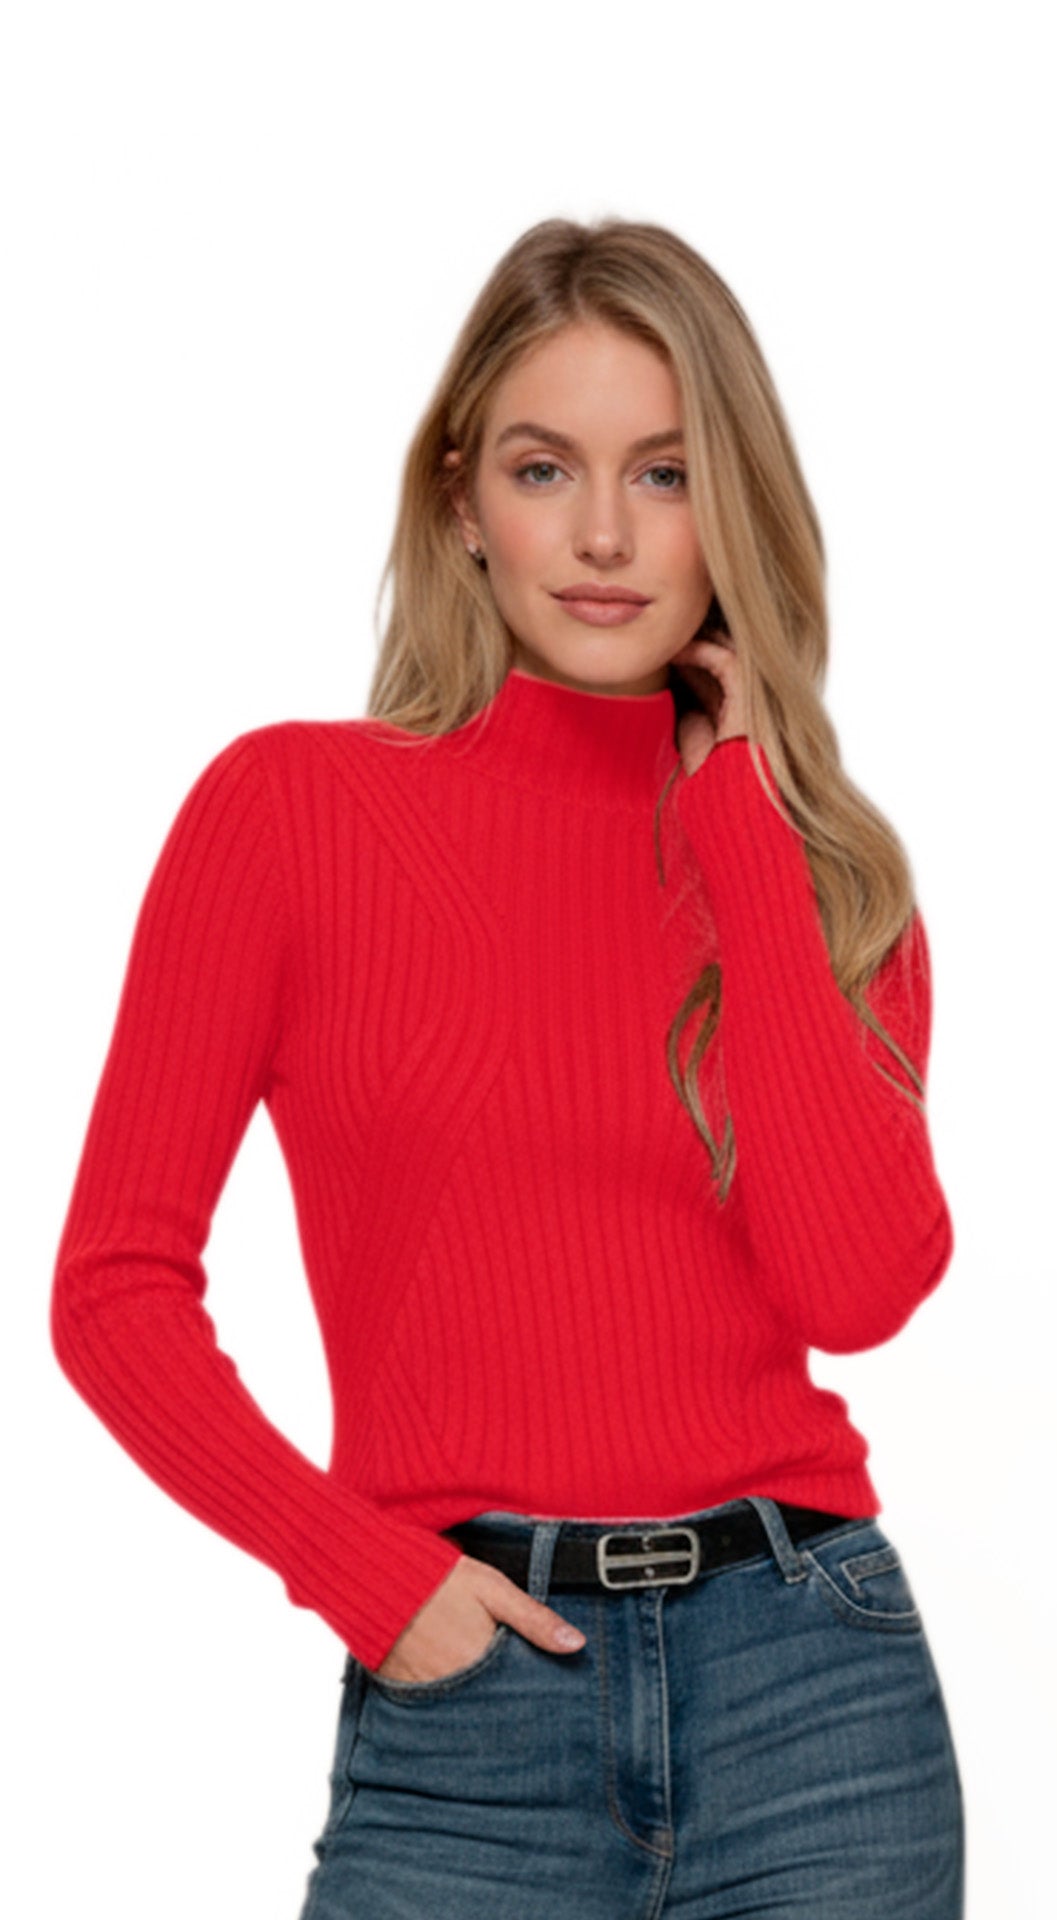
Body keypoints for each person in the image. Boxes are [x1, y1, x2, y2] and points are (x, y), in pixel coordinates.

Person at [51, 216, 965, 1917]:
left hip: (815, 1701)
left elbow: (854, 1291)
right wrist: (360, 1572)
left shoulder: (829, 881)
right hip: (470, 1708)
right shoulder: (291, 815)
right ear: (464, 498)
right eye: (548, 469)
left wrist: (743, 829)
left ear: (734, 507)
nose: (606, 534)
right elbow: (113, 1289)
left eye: (667, 473)